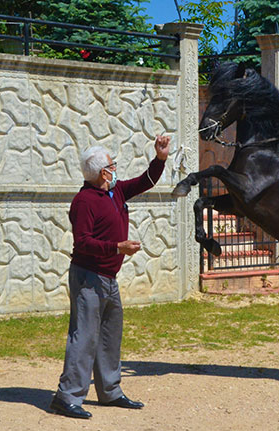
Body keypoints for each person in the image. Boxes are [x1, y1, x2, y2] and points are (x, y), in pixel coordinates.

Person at [49, 135, 170, 419]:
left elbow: (145, 181)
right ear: (104, 172)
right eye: (113, 165)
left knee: (109, 334)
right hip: (88, 277)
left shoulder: (115, 192)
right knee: (84, 336)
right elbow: (83, 242)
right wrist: (118, 247)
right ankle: (66, 397)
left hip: (108, 277)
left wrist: (161, 158)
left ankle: (110, 391)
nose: (116, 169)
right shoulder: (84, 201)